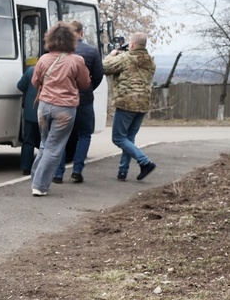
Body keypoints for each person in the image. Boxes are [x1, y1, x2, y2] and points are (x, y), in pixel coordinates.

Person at [30, 22, 91, 196]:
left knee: (44, 144)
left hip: (44, 105)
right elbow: (85, 84)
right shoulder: (76, 60)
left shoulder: (43, 59)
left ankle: (36, 178)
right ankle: (40, 186)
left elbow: (35, 82)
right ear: (72, 40)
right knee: (54, 147)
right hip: (65, 108)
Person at [53, 20, 104, 183]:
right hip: (84, 100)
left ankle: (58, 173)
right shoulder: (92, 51)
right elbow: (98, 76)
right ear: (82, 33)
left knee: (61, 136)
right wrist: (87, 88)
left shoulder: (58, 52)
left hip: (63, 99)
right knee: (84, 134)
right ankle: (77, 169)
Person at [104, 31, 157, 181]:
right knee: (129, 138)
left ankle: (145, 162)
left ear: (132, 44)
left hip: (127, 102)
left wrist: (112, 53)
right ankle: (122, 171)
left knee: (118, 138)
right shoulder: (151, 61)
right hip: (143, 103)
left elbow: (104, 68)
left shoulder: (125, 58)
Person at [16, 64, 40, 175]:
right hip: (48, 111)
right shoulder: (58, 69)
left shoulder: (31, 70)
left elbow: (20, 86)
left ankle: (26, 167)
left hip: (31, 110)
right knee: (48, 141)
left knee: (28, 140)